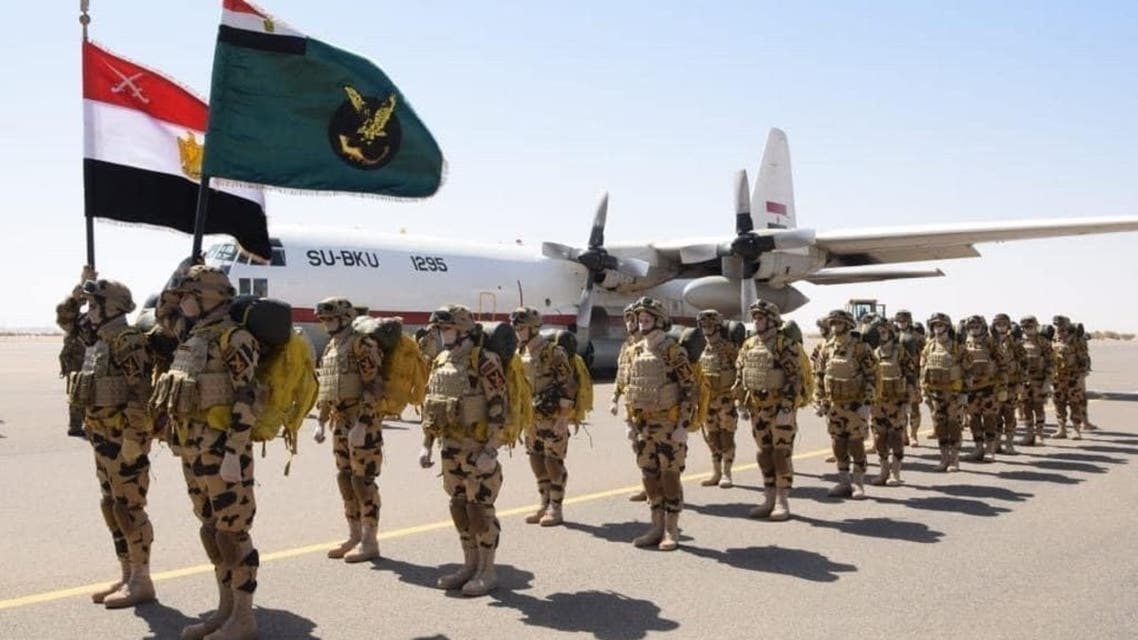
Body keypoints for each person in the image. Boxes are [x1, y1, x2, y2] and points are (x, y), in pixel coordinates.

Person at [153, 265, 261, 639]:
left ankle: (244, 618)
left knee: (233, 533)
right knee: (212, 531)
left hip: (223, 450)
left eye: (189, 296)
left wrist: (234, 452)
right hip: (193, 449)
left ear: (209, 298)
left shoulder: (235, 338)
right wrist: (180, 274)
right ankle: (224, 611)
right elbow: (162, 313)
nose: (181, 302)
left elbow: (248, 396)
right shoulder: (193, 335)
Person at [63, 271, 156, 609]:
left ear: (111, 308)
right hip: (101, 436)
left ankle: (142, 580)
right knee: (111, 506)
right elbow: (67, 320)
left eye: (93, 305)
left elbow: (140, 392)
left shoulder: (126, 340)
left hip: (122, 440)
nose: (88, 311)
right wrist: (78, 291)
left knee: (130, 508)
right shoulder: (99, 338)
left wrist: (134, 437)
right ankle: (126, 574)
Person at [418, 305, 507, 596]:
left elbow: (499, 408)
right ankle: (470, 565)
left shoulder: (484, 360)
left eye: (446, 329)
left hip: (476, 448)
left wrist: (491, 450)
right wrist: (427, 445)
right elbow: (432, 405)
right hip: (450, 447)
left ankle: (487, 570)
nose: (441, 335)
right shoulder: (441, 361)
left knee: (480, 510)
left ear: (463, 330)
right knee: (459, 507)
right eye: (440, 329)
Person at [312, 297, 385, 563]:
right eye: (324, 320)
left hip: (362, 423)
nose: (326, 324)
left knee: (363, 482)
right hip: (340, 423)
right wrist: (321, 421)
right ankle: (354, 535)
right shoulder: (332, 346)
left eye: (330, 319)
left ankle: (370, 540)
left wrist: (363, 423)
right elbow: (327, 385)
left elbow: (374, 385)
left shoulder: (362, 344)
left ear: (345, 318)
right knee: (345, 479)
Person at [621, 297, 696, 551]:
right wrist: (630, 422)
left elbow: (689, 389)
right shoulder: (633, 351)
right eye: (640, 318)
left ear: (659, 321)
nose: (642, 321)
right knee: (649, 476)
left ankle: (671, 529)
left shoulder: (673, 351)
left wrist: (683, 425)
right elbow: (631, 388)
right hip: (643, 425)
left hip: (668, 425)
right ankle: (656, 526)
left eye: (647, 318)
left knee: (670, 476)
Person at [512, 306, 578, 527]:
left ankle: (556, 508)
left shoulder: (553, 352)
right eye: (516, 328)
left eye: (521, 328)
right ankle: (544, 502)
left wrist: (563, 419)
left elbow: (568, 386)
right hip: (531, 418)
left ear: (533, 328)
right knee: (536, 459)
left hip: (552, 417)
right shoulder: (520, 353)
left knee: (553, 461)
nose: (518, 332)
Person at [735, 301, 800, 519]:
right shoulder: (749, 344)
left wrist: (787, 407)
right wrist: (740, 402)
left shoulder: (784, 345)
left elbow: (794, 378)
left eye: (760, 318)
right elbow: (741, 374)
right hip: (757, 409)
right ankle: (769, 498)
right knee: (764, 454)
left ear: (772, 320)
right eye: (754, 318)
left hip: (779, 409)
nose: (756, 322)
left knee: (781, 453)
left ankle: (782, 500)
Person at [814, 309, 877, 499]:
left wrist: (867, 403)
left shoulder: (860, 348)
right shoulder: (826, 348)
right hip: (834, 405)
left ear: (848, 325)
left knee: (856, 444)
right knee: (838, 444)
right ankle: (844, 482)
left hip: (855, 405)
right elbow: (819, 375)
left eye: (838, 323)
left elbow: (872, 376)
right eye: (832, 323)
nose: (835, 327)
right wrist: (819, 400)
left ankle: (858, 483)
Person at [695, 310, 740, 489]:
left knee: (726, 437)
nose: (706, 329)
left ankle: (727, 473)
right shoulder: (701, 349)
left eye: (710, 325)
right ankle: (716, 472)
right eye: (703, 326)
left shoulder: (729, 349)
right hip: (708, 401)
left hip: (725, 400)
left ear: (718, 327)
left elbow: (741, 369)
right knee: (712, 437)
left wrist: (739, 394)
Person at [921, 313, 970, 472]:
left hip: (953, 394)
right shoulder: (929, 347)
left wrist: (964, 393)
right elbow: (923, 370)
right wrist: (924, 391)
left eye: (940, 325)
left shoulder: (958, 348)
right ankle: (944, 458)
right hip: (936, 394)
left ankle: (954, 459)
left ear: (947, 327)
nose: (938, 328)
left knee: (954, 426)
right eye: (935, 325)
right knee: (939, 427)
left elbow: (968, 371)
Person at [870, 321, 916, 486]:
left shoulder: (901, 352)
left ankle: (895, 473)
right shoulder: (874, 353)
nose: (882, 334)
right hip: (878, 404)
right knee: (879, 438)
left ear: (891, 333)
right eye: (879, 332)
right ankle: (883, 471)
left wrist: (908, 401)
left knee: (896, 437)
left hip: (897, 403)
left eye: (885, 332)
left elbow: (911, 377)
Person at [610, 303, 648, 502]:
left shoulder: (651, 345)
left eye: (634, 319)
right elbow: (621, 374)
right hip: (630, 405)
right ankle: (647, 485)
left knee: (652, 446)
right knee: (637, 445)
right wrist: (614, 398)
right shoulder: (626, 346)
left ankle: (657, 488)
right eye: (627, 319)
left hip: (649, 405)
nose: (630, 323)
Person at [56, 266, 97, 437]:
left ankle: (92, 424)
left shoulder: (101, 318)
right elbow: (65, 314)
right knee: (77, 391)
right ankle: (76, 425)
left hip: (95, 360)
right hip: (76, 360)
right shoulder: (76, 322)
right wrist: (82, 286)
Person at [961, 315, 1008, 462]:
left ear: (983, 327)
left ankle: (990, 449)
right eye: (971, 327)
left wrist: (1002, 387)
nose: (974, 329)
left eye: (977, 326)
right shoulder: (964, 342)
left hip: (989, 388)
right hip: (971, 389)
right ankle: (978, 448)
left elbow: (1003, 365)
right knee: (973, 419)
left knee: (989, 418)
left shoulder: (991, 342)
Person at [990, 314, 1027, 454]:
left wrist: (1021, 382)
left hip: (1011, 385)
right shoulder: (989, 342)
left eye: (1004, 324)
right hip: (994, 386)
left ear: (1008, 326)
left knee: (1010, 415)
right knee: (995, 415)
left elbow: (1024, 363)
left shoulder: (1015, 343)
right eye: (998, 324)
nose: (1001, 327)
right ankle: (997, 443)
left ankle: (1009, 444)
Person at [1051, 315, 1089, 440]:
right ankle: (1061, 428)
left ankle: (1076, 429)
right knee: (1058, 403)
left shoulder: (1076, 340)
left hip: (1073, 377)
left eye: (1061, 325)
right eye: (1057, 325)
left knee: (1074, 403)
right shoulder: (1053, 338)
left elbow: (1083, 358)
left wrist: (1081, 375)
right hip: (1057, 378)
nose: (1059, 328)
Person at [1016, 316, 1053, 446]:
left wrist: (1047, 382)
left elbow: (1051, 363)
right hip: (1024, 382)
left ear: (1036, 326)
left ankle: (1039, 434)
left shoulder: (1043, 342)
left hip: (1039, 382)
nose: (1028, 329)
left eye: (1030, 327)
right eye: (1025, 327)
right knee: (1026, 408)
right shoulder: (1018, 343)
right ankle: (1029, 434)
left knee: (1039, 407)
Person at [893, 310, 925, 447]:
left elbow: (924, 356)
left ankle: (913, 435)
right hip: (898, 377)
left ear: (909, 321)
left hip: (913, 376)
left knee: (914, 407)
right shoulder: (893, 335)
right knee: (900, 408)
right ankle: (904, 435)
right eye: (899, 321)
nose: (901, 323)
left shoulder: (917, 337)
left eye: (904, 320)